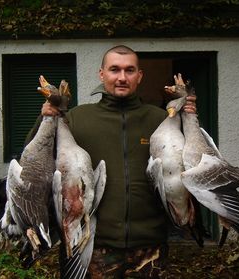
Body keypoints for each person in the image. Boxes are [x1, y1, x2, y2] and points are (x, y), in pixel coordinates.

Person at [36, 45, 197, 278]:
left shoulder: (162, 119)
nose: (122, 77)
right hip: (91, 248)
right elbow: (36, 159)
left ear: (139, 76)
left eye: (129, 70)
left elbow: (193, 165)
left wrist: (190, 117)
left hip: (150, 248)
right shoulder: (76, 118)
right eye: (114, 70)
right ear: (102, 74)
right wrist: (46, 119)